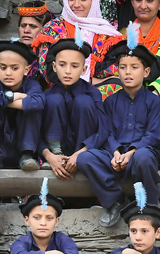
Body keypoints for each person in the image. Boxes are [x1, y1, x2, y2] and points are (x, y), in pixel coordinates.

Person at [77, 28, 160, 228]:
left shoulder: (154, 102)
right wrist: (116, 152)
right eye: (123, 67)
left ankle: (150, 203)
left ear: (146, 72)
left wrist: (131, 153)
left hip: (141, 157)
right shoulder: (110, 102)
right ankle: (115, 201)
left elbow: (154, 135)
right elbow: (105, 133)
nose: (128, 72)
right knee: (85, 157)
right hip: (114, 157)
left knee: (144, 157)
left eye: (134, 67)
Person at [41, 36, 111, 181]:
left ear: (84, 69)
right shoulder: (47, 95)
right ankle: (56, 150)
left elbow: (104, 130)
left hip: (83, 152)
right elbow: (35, 130)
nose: (67, 71)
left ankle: (81, 155)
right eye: (62, 65)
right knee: (53, 101)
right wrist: (49, 155)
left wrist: (81, 153)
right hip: (53, 156)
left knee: (83, 102)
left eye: (74, 66)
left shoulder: (92, 94)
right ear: (54, 67)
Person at [0, 40, 45, 174]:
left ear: (26, 70)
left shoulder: (32, 86)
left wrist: (3, 100)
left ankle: (27, 156)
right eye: (3, 68)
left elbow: (38, 102)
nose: (8, 73)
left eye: (14, 68)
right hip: (0, 141)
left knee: (32, 109)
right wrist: (15, 96)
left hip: (22, 139)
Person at [34, 0, 123, 89]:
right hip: (60, 92)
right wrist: (91, 80)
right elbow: (47, 69)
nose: (76, 5)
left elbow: (115, 68)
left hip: (97, 92)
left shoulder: (107, 34)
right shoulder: (52, 29)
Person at [17, 0, 54, 86]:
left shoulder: (50, 60)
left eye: (33, 26)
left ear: (44, 30)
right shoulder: (12, 54)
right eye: (23, 26)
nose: (26, 31)